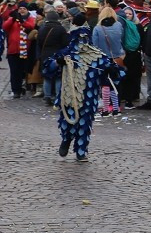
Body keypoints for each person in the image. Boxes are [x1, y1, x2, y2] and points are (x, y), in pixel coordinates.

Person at [42, 17, 122, 162]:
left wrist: (112, 70)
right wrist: (57, 62)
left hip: (89, 96)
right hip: (69, 95)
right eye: (79, 37)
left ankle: (81, 151)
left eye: (85, 37)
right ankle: (66, 139)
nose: (82, 41)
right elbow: (47, 67)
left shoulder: (98, 56)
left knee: (84, 124)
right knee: (68, 121)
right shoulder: (67, 54)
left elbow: (116, 74)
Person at [91, 6, 126, 117]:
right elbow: (122, 40)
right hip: (117, 58)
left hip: (102, 59)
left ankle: (106, 109)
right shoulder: (119, 25)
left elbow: (94, 45)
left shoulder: (98, 28)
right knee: (115, 83)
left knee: (105, 84)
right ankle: (116, 108)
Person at [1, 0, 37, 98]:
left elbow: (31, 26)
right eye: (20, 8)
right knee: (14, 71)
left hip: (25, 50)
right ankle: (15, 90)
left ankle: (22, 87)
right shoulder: (13, 19)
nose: (22, 10)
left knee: (22, 71)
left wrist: (22, 21)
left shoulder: (30, 18)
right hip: (13, 50)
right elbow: (5, 27)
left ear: (27, 10)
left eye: (24, 8)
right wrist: (12, 19)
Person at [36, 9, 68, 106]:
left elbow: (39, 43)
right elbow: (65, 43)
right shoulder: (61, 29)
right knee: (58, 77)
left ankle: (47, 97)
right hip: (57, 55)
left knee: (47, 77)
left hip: (45, 54)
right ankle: (57, 97)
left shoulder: (41, 28)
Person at [116, 6, 143, 108]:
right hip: (131, 54)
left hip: (128, 54)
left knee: (130, 78)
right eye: (126, 13)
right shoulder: (136, 26)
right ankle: (127, 99)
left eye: (129, 14)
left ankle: (128, 99)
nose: (127, 15)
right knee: (128, 78)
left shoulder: (121, 26)